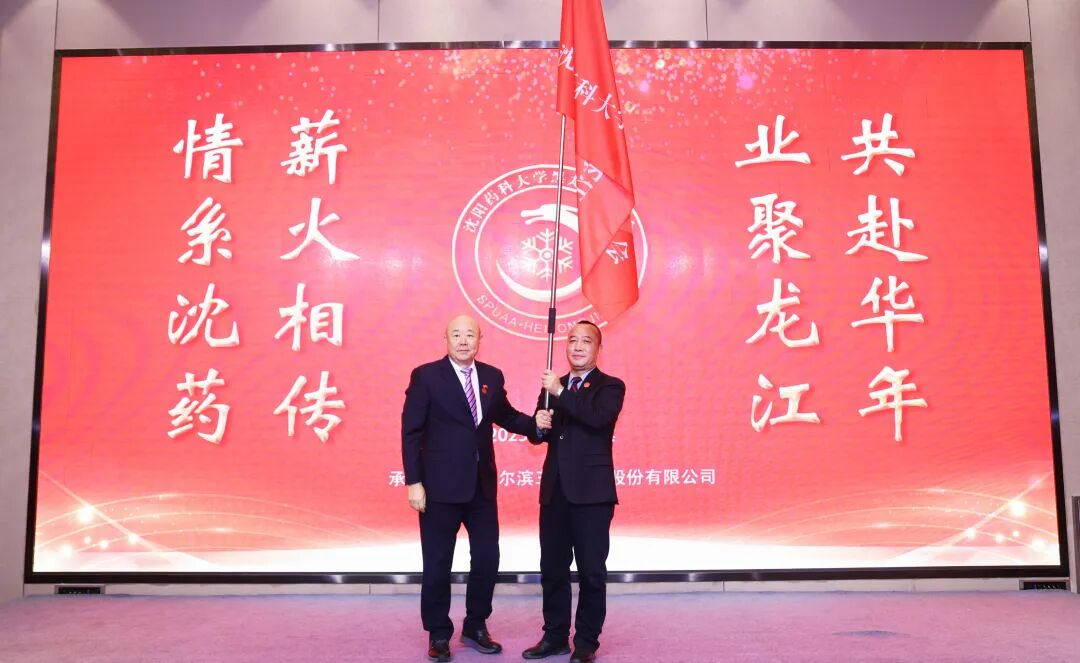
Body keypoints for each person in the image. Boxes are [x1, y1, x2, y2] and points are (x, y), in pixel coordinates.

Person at [401, 314, 539, 662]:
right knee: (437, 564)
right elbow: (411, 432)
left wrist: (536, 427)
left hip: (481, 487)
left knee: (488, 559)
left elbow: (506, 416)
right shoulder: (426, 376)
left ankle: (476, 625)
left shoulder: (491, 376)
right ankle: (438, 633)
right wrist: (414, 482)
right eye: (456, 335)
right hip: (439, 488)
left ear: (480, 339)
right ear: (446, 339)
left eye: (470, 335)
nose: (463, 341)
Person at [523, 320, 625, 663]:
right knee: (552, 569)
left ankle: (586, 643)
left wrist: (560, 391)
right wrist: (538, 427)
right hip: (555, 492)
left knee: (591, 573)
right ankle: (554, 637)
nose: (578, 346)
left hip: (592, 495)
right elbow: (539, 435)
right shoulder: (555, 386)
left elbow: (596, 419)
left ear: (598, 348)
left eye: (586, 341)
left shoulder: (610, 386)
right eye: (572, 340)